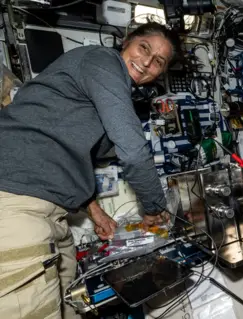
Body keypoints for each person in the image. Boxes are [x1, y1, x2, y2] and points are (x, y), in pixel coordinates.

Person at [0, 22, 179, 318]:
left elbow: (65, 156)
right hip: (14, 204)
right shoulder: (102, 60)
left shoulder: (104, 93)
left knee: (74, 303)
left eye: (158, 61)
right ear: (126, 42)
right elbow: (133, 152)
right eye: (144, 47)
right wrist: (153, 208)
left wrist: (95, 212)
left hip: (51, 213)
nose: (147, 61)